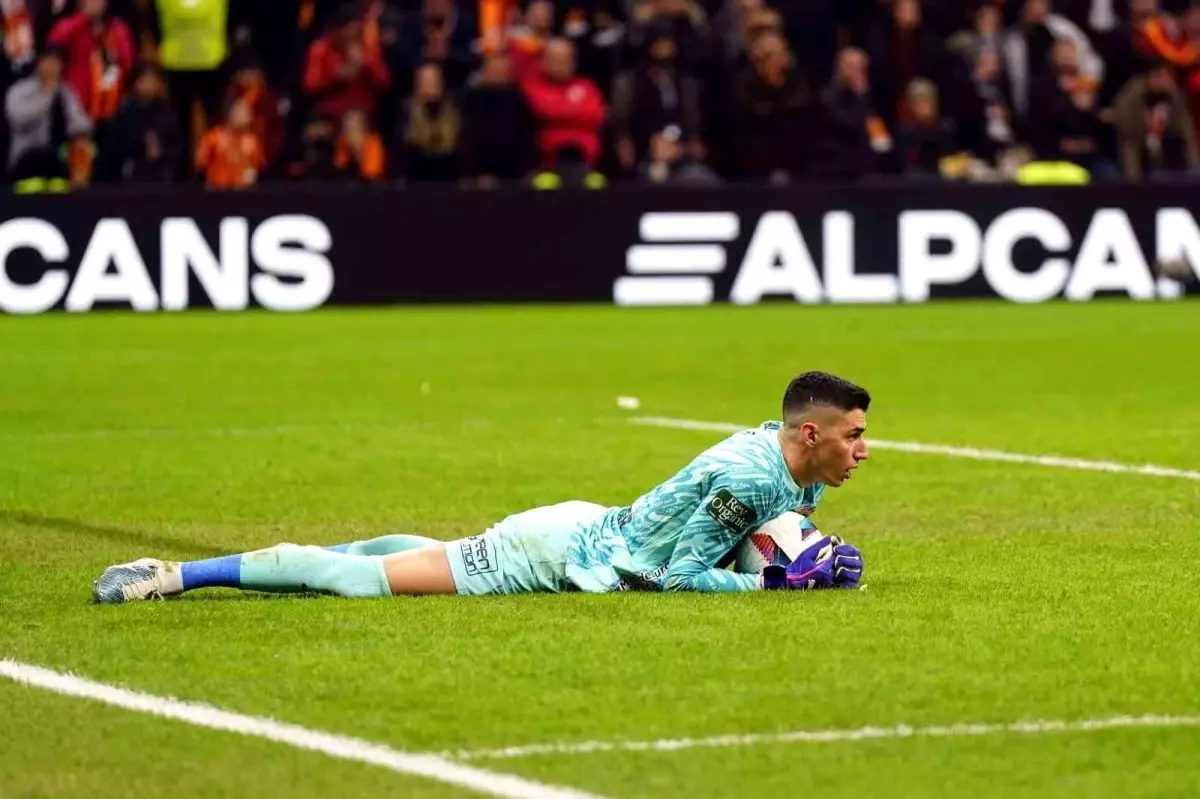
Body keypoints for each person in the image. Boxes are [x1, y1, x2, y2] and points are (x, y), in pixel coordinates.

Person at [94, 371, 869, 602]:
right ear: (810, 432)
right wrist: (775, 584)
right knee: (361, 582)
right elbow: (676, 576)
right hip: (556, 554)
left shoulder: (793, 466)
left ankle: (305, 559)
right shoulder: (750, 474)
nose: (863, 450)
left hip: (586, 529)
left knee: (403, 558)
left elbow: (751, 538)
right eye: (854, 435)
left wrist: (808, 554)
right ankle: (171, 574)